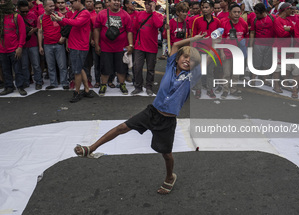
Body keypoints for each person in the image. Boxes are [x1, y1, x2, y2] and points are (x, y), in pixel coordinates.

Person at [73, 34, 204, 194]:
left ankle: (170, 177)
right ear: (177, 58)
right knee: (122, 127)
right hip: (152, 112)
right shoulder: (170, 65)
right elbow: (176, 44)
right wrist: (195, 37)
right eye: (185, 57)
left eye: (191, 60)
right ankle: (91, 148)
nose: (187, 61)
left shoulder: (192, 76)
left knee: (166, 154)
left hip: (167, 121)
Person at [52, 0, 94, 103]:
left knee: (76, 71)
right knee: (79, 68)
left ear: (78, 1)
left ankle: (77, 92)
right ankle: (86, 89)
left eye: (71, 2)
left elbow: (76, 23)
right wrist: (59, 20)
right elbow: (69, 25)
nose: (69, 4)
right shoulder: (77, 12)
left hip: (79, 46)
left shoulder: (84, 13)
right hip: (76, 45)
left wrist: (61, 19)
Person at [94, 0, 133, 96]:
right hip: (106, 47)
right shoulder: (102, 14)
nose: (117, 2)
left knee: (121, 68)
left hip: (121, 47)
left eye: (118, 1)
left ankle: (122, 84)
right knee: (105, 68)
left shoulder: (125, 15)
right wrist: (97, 45)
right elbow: (97, 30)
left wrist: (130, 45)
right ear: (109, 2)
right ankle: (103, 85)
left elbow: (129, 31)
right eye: (114, 0)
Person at [131, 0, 164, 96]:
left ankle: (149, 87)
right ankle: (138, 86)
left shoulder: (158, 15)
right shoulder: (140, 14)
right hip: (139, 46)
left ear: (154, 4)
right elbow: (135, 29)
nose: (147, 5)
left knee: (150, 69)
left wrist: (154, 11)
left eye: (149, 3)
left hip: (151, 47)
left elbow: (158, 25)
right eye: (146, 3)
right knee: (137, 67)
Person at [192, 0, 222, 99]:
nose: (204, 9)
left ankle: (210, 89)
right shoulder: (197, 20)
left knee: (210, 71)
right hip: (199, 50)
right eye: (202, 7)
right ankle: (198, 89)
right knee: (198, 70)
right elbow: (193, 37)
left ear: (212, 9)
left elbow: (219, 37)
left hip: (211, 51)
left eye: (206, 7)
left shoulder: (217, 21)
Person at [37, 0, 69, 90]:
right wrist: (40, 46)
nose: (52, 8)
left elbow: (65, 27)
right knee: (50, 66)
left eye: (53, 6)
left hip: (59, 44)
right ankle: (53, 83)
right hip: (47, 45)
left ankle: (64, 82)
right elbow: (40, 32)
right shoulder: (41, 17)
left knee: (62, 65)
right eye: (50, 6)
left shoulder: (58, 14)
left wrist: (63, 39)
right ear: (44, 7)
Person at [220, 3, 248, 99]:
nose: (237, 14)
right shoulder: (223, 23)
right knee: (226, 73)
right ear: (230, 13)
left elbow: (245, 37)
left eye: (238, 12)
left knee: (236, 74)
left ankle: (233, 89)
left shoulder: (243, 23)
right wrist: (222, 52)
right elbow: (220, 39)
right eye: (234, 12)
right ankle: (225, 90)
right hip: (227, 53)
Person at [0, 0, 27, 96]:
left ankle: (20, 86)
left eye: (4, 2)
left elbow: (22, 33)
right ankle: (9, 87)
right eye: (0, 2)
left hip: (14, 48)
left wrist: (20, 46)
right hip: (2, 49)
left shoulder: (16, 16)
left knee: (18, 70)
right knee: (6, 70)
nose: (2, 4)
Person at [17, 0, 43, 90]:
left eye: (26, 11)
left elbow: (39, 27)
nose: (25, 13)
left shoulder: (32, 15)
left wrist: (34, 30)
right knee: (24, 65)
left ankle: (38, 81)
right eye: (22, 11)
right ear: (18, 9)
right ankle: (26, 81)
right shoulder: (16, 17)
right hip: (22, 45)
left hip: (33, 43)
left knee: (36, 64)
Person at [271, 3, 295, 93]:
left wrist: (289, 30)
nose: (292, 11)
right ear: (286, 10)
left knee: (287, 67)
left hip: (288, 48)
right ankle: (276, 86)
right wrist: (290, 30)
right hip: (278, 48)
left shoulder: (288, 20)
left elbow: (294, 30)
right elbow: (281, 34)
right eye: (290, 9)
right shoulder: (277, 20)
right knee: (277, 68)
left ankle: (285, 84)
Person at [249, 3, 275, 81]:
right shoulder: (255, 20)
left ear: (263, 11)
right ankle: (253, 79)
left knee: (266, 64)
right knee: (256, 63)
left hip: (270, 44)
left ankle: (264, 79)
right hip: (258, 44)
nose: (256, 15)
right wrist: (251, 45)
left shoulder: (272, 18)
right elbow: (252, 32)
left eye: (257, 13)